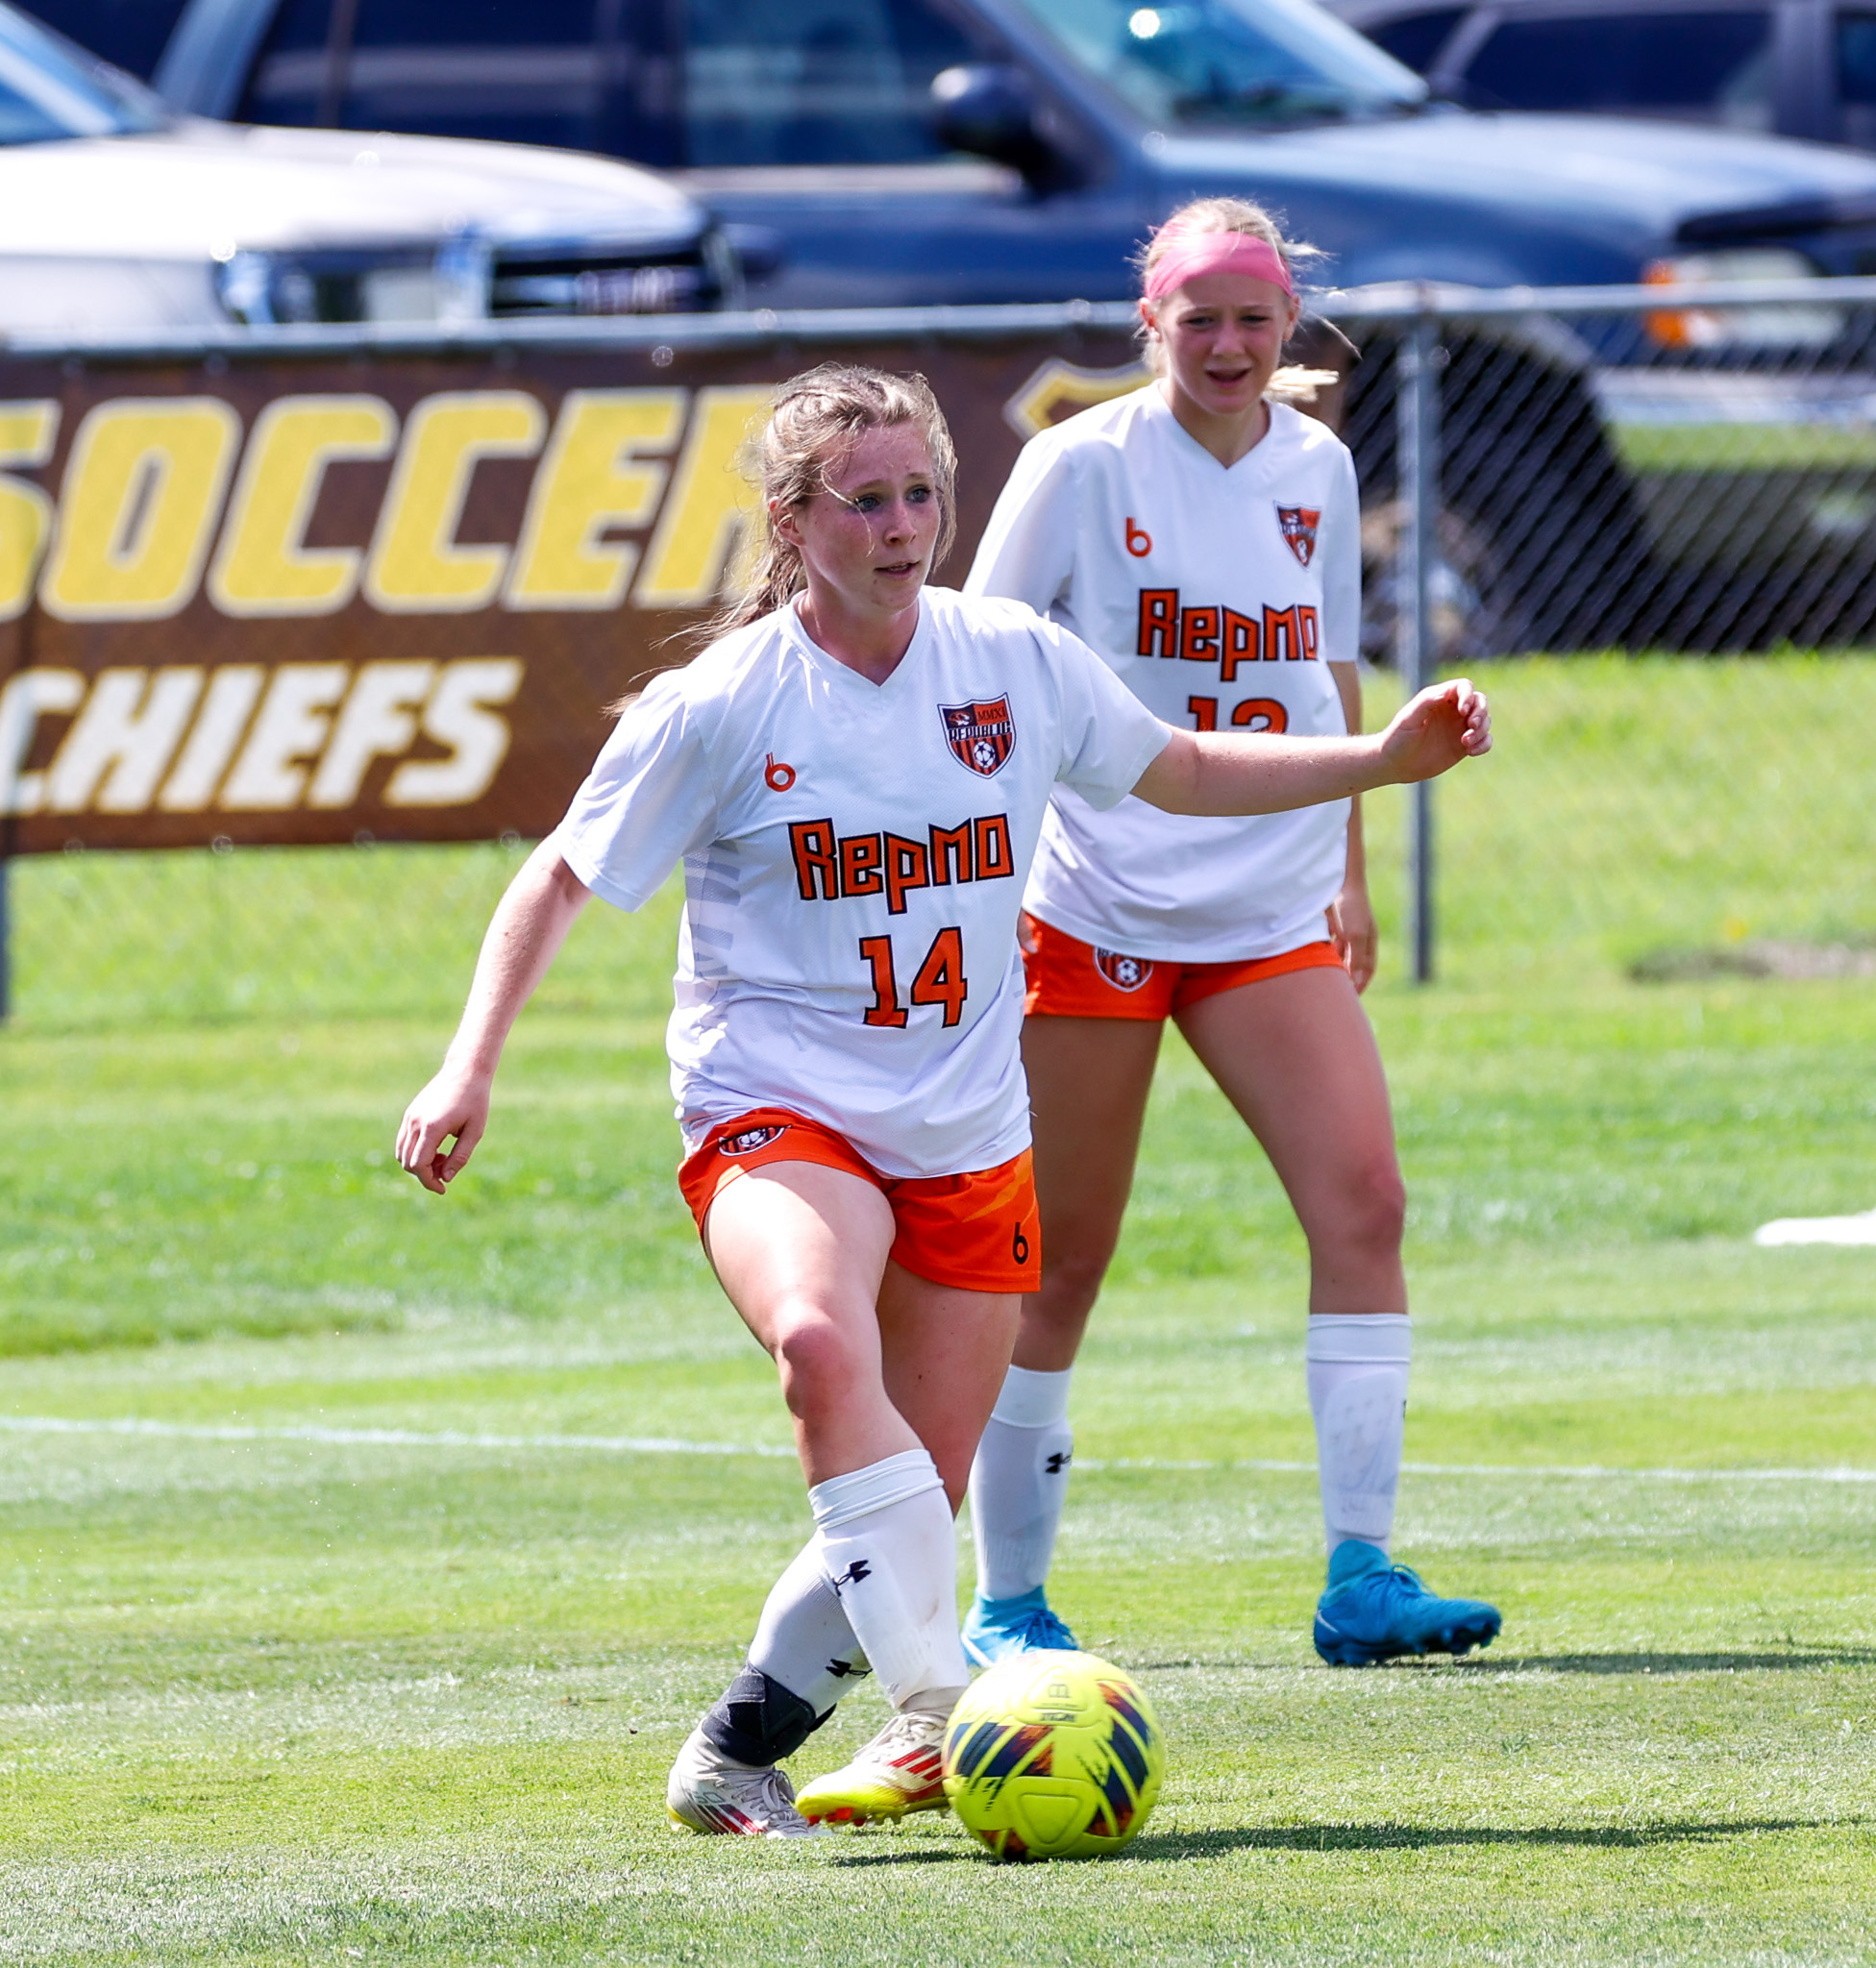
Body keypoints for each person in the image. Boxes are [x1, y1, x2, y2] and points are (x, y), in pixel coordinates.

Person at [395, 362, 1491, 1840]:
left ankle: (731, 1753)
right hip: (778, 1105)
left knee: (909, 1488)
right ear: (794, 523)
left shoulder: (1011, 660)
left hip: (968, 1130)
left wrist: (1382, 760)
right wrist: (468, 1062)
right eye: (867, 501)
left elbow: (1177, 767)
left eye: (921, 494)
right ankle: (936, 1709)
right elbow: (560, 878)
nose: (903, 525)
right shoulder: (721, 704)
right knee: (816, 1342)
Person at [960, 198, 1503, 1670]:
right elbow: (975, 669)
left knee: (1365, 1203)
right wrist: (981, 877)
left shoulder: (1317, 465)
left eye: (1253, 319)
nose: (1226, 344)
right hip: (1100, 905)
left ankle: (1362, 1574)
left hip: (1268, 908)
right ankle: (1008, 1605)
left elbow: (1328, 678)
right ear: (1151, 323)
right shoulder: (1080, 464)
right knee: (1059, 1261)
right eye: (1197, 318)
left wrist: (1350, 872)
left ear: (1288, 327)